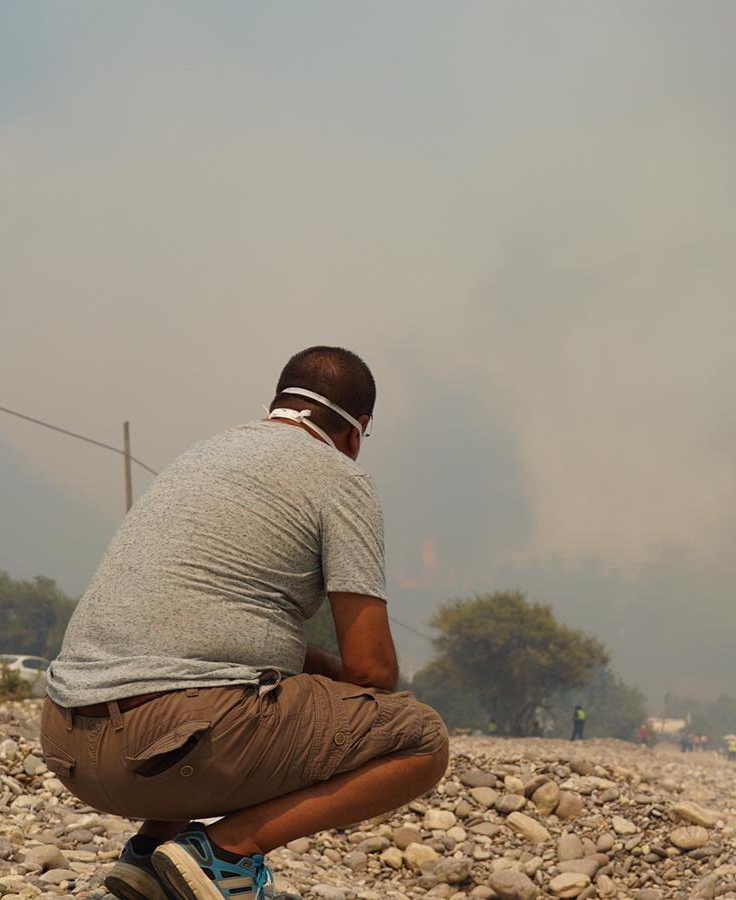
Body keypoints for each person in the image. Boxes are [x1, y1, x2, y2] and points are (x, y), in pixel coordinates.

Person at [42, 347, 450, 900]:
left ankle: (148, 855)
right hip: (165, 744)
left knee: (257, 694)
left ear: (276, 404)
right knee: (422, 740)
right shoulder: (340, 477)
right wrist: (337, 692)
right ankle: (222, 853)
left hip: (66, 744)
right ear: (357, 434)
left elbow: (212, 625)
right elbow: (372, 670)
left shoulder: (204, 454)